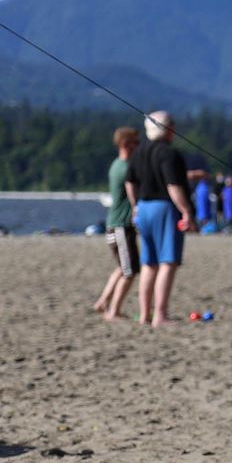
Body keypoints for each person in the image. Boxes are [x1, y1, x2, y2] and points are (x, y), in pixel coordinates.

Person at [124, 110, 193, 327]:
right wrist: (186, 211)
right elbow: (173, 186)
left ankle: (145, 315)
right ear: (169, 129)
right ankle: (160, 315)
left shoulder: (138, 152)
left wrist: (135, 206)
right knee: (167, 262)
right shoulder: (169, 153)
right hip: (164, 208)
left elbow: (129, 183)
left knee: (149, 263)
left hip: (143, 208)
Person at [93, 126, 140, 321]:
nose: (139, 146)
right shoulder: (125, 168)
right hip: (121, 225)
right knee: (130, 271)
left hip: (116, 224)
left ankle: (102, 302)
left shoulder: (116, 165)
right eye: (136, 142)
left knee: (123, 267)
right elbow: (133, 195)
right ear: (125, 144)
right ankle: (114, 311)